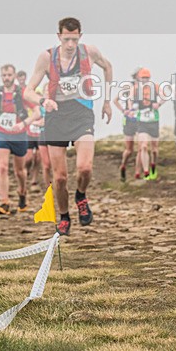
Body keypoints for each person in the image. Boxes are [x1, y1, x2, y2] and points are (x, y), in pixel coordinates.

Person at [24, 17, 113, 236]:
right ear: (59, 37)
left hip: (82, 114)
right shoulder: (46, 57)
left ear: (80, 36)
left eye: (74, 39)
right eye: (66, 40)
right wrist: (44, 102)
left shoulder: (89, 52)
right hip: (56, 117)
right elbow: (28, 91)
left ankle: (81, 196)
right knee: (60, 177)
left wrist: (107, 101)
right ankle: (64, 215)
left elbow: (108, 67)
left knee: (85, 167)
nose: (71, 45)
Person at [0, 64, 38, 215]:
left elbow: (36, 112)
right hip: (2, 133)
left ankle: (22, 192)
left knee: (19, 172)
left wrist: (23, 123)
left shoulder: (22, 93)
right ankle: (4, 202)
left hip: (20, 134)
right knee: (2, 167)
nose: (6, 78)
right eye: (4, 75)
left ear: (14, 76)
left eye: (9, 75)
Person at [133, 68, 162, 180]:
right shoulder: (136, 89)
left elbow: (165, 96)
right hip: (142, 122)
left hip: (153, 121)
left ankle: (153, 166)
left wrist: (159, 104)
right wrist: (131, 109)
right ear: (139, 78)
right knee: (143, 146)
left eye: (146, 78)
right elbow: (130, 99)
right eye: (143, 78)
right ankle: (145, 172)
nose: (144, 80)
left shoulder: (155, 87)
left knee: (154, 149)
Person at [114, 68, 142, 181]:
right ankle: (123, 166)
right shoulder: (128, 87)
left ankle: (137, 173)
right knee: (129, 150)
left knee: (142, 148)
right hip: (129, 120)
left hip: (141, 120)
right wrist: (123, 110)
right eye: (140, 75)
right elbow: (115, 100)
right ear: (135, 76)